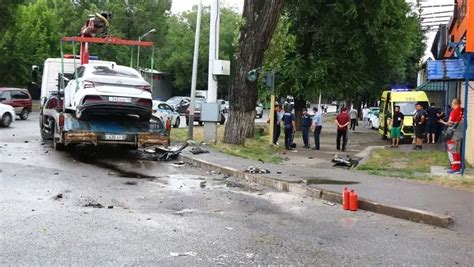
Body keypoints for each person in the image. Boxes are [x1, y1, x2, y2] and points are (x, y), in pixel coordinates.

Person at [439, 98, 463, 174]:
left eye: (452, 103)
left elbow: (450, 123)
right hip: (459, 133)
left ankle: (455, 167)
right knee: (457, 150)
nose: (451, 105)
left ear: (455, 103)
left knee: (452, 150)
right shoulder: (461, 111)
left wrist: (443, 122)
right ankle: (458, 167)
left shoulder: (454, 111)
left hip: (453, 134)